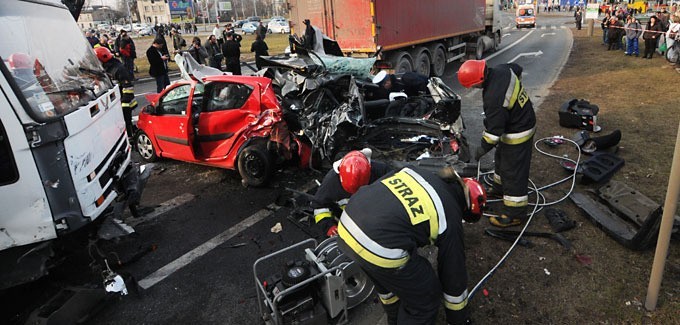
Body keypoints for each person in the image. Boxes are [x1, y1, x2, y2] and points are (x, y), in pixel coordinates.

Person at [336, 165, 486, 325]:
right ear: (467, 208)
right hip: (379, 245)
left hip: (347, 223)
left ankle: (393, 320)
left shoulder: (415, 171)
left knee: (389, 283)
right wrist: (458, 319)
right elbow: (453, 274)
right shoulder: (450, 213)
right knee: (425, 296)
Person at [457, 60, 536, 228]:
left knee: (513, 171)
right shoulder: (502, 69)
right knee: (501, 159)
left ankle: (515, 213)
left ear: (479, 80)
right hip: (519, 119)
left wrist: (482, 149)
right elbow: (518, 68)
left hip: (518, 131)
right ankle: (499, 189)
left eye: (473, 86)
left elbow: (494, 133)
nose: (473, 89)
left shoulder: (494, 96)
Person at [310, 149, 391, 237]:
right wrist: (329, 227)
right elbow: (319, 208)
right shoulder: (331, 182)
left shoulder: (383, 172)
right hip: (350, 221)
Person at [94, 47, 137, 137]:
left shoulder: (118, 69)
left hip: (124, 102)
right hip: (113, 102)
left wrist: (123, 103)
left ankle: (131, 137)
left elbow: (128, 87)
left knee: (126, 121)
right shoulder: (106, 68)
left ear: (103, 58)